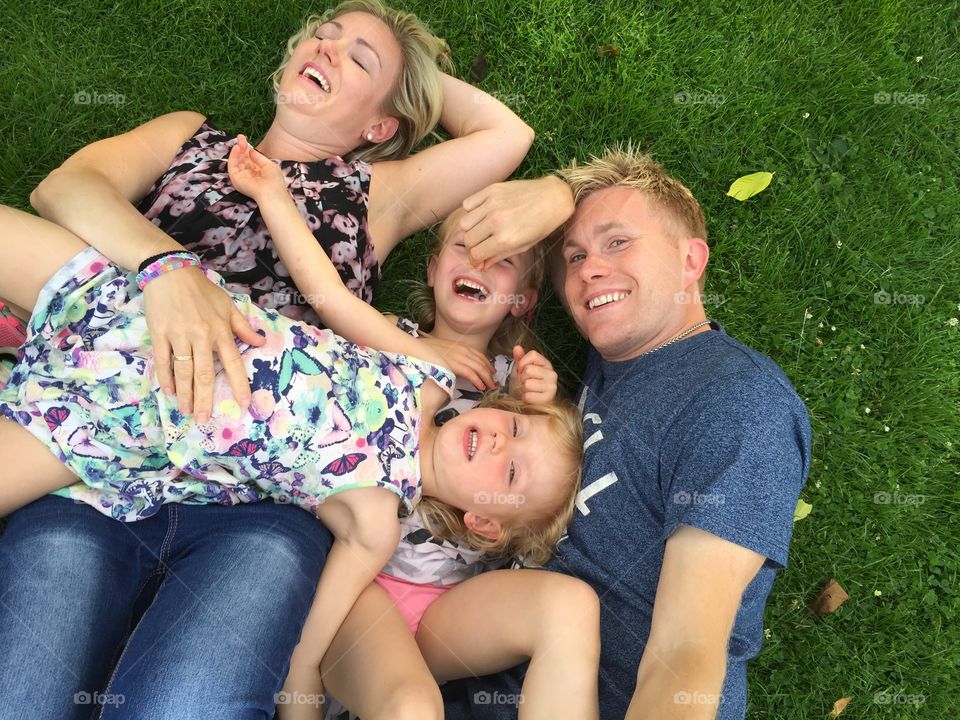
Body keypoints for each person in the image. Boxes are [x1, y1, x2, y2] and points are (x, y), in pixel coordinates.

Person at [0, 2, 570, 717]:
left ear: (381, 127)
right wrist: (170, 269)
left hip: (183, 450)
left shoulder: (377, 194)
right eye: (321, 35)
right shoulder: (189, 135)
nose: (327, 48)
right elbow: (62, 189)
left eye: (357, 57)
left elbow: (505, 135)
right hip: (118, 318)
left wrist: (412, 74)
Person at [440, 148, 812, 719]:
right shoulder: (616, 360)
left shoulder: (737, 400)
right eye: (576, 256)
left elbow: (687, 653)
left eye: (618, 242)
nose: (589, 269)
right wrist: (557, 191)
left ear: (690, 260)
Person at [294, 206, 598, 720]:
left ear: (521, 302)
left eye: (502, 260)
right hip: (363, 585)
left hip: (449, 606)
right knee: (409, 706)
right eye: (464, 247)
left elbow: (537, 453)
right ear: (433, 268)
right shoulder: (392, 335)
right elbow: (341, 328)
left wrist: (540, 399)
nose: (478, 263)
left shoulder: (504, 387)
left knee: (571, 606)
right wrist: (425, 350)